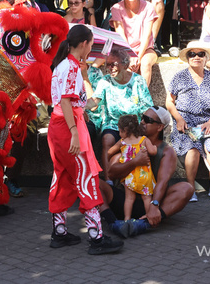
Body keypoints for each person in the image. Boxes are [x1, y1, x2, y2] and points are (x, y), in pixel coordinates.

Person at [47, 24, 123, 254]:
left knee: (62, 177)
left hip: (59, 127)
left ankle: (59, 231)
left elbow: (80, 102)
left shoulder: (66, 66)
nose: (92, 48)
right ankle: (96, 237)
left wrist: (85, 78)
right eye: (91, 44)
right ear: (84, 44)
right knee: (86, 179)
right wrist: (73, 132)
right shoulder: (69, 67)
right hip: (68, 129)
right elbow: (67, 102)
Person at [99, 106, 196, 237]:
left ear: (160, 127)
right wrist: (134, 162)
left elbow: (162, 182)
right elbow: (111, 173)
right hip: (125, 199)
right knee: (94, 182)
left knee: (186, 188)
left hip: (150, 202)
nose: (142, 122)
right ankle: (113, 223)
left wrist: (154, 205)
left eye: (147, 119)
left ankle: (144, 223)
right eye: (142, 118)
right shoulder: (127, 143)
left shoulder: (166, 151)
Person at [166, 41, 210, 203]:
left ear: (206, 58)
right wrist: (178, 119)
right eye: (192, 54)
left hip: (207, 120)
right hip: (186, 121)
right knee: (192, 149)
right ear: (187, 57)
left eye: (201, 54)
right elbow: (169, 102)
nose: (196, 57)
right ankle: (190, 187)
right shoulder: (179, 77)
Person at [87, 48, 152, 182]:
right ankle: (108, 180)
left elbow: (147, 106)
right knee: (107, 140)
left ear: (125, 64)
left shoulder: (138, 81)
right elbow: (95, 100)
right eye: (107, 65)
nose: (109, 68)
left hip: (134, 123)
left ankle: (135, 179)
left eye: (113, 64)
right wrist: (80, 108)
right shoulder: (105, 81)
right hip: (113, 122)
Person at [106, 115, 156, 225]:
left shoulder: (122, 142)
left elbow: (109, 152)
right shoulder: (144, 140)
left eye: (119, 131)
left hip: (130, 175)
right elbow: (153, 152)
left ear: (124, 130)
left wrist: (114, 157)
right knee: (147, 198)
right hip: (144, 175)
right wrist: (155, 147)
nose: (119, 134)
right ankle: (148, 219)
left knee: (129, 198)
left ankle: (127, 219)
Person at [110, 0, 159, 87]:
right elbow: (120, 35)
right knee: (122, 65)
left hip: (146, 49)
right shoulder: (116, 8)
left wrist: (138, 57)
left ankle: (142, 98)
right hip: (124, 49)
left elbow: (146, 36)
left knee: (145, 64)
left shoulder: (148, 6)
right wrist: (129, 55)